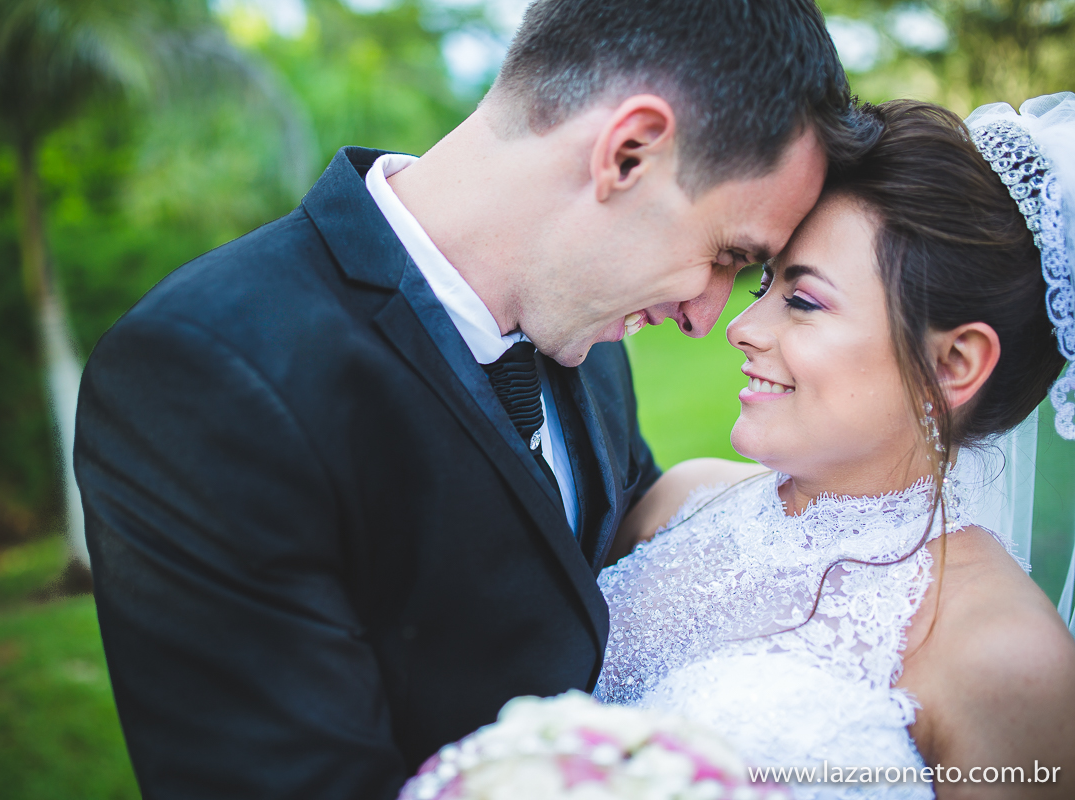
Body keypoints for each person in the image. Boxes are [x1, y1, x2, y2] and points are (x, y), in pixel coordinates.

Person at [73, 0, 877, 796]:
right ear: (627, 153)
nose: (707, 317)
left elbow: (603, 571)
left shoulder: (586, 335)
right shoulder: (211, 374)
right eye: (725, 255)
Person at [598, 97, 1075, 797]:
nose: (743, 327)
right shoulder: (680, 501)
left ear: (955, 364)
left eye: (805, 300)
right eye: (765, 283)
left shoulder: (1007, 658)